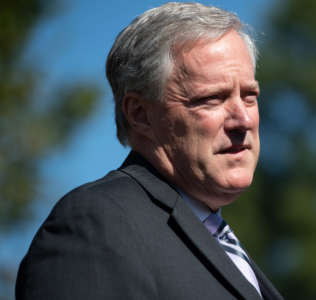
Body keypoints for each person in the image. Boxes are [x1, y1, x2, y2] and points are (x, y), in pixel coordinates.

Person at [16, 2, 284, 299]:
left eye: (249, 96)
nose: (243, 120)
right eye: (212, 98)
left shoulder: (218, 240)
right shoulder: (97, 225)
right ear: (140, 114)